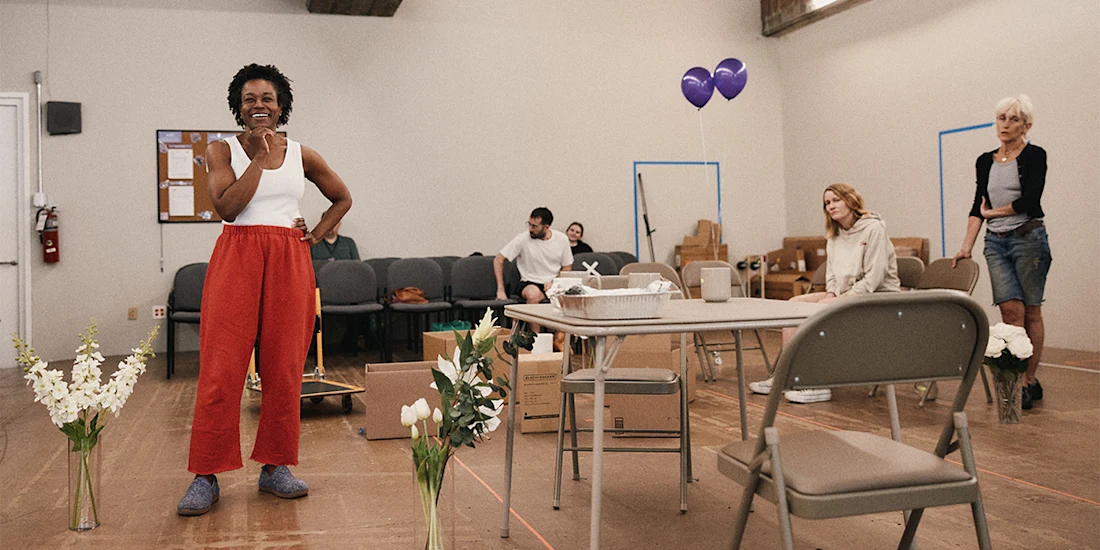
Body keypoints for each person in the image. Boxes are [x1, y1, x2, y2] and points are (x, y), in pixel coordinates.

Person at [177, 63, 352, 516]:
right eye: (250, 99)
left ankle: (276, 467)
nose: (259, 105)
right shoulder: (220, 150)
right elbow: (229, 209)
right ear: (239, 106)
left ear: (281, 106)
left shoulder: (303, 154)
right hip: (237, 254)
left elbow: (342, 197)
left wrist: (314, 235)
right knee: (221, 367)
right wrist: (256, 157)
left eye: (268, 99)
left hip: (289, 258)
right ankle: (205, 475)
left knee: (285, 368)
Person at [749, 183, 900, 403]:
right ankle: (785, 376)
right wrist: (831, 293)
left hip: (877, 297)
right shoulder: (834, 235)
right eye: (827, 203)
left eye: (836, 200)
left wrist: (837, 299)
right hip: (846, 293)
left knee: (820, 311)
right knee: (793, 305)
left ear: (850, 200)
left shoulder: (873, 229)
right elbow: (831, 272)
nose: (831, 206)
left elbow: (873, 279)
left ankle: (816, 382)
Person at [952, 94, 1050, 411]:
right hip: (995, 244)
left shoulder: (1035, 156)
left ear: (1026, 125)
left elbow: (1031, 202)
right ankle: (1014, 377)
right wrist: (966, 247)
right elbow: (976, 206)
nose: (1005, 125)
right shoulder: (985, 160)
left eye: (1013, 119)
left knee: (1031, 311)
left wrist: (994, 213)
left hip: (1029, 239)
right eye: (1001, 118)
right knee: (1010, 313)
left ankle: (1028, 382)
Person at [494, 207, 573, 331]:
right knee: (533, 295)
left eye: (535, 226)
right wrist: (500, 289)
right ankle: (536, 338)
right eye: (529, 224)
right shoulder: (522, 239)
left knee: (572, 296)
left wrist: (555, 281)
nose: (530, 229)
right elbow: (498, 259)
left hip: (553, 282)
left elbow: (567, 266)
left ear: (546, 227)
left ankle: (560, 339)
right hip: (529, 281)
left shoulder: (562, 239)